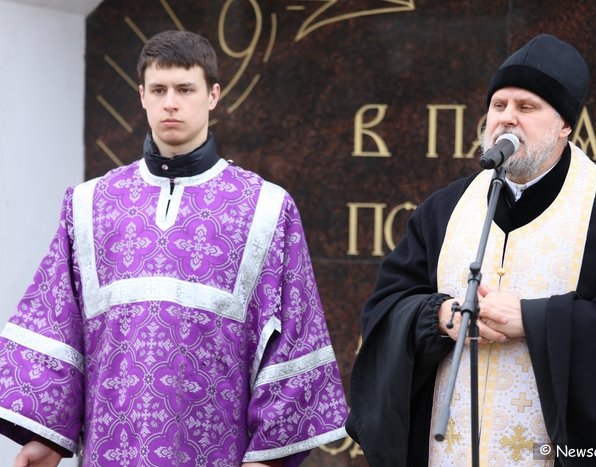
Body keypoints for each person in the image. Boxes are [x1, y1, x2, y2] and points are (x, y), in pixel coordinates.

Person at [0, 30, 348, 467]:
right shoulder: (90, 204)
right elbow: (57, 321)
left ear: (213, 95)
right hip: (113, 451)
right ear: (142, 95)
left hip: (217, 453)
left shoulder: (266, 208)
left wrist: (268, 457)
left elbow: (295, 336)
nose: (171, 102)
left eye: (185, 89)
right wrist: (48, 439)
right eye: (159, 89)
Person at [345, 33, 596, 466]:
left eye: (527, 108)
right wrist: (440, 317)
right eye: (499, 106)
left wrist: (536, 321)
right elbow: (385, 310)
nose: (507, 119)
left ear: (564, 125)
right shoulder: (444, 208)